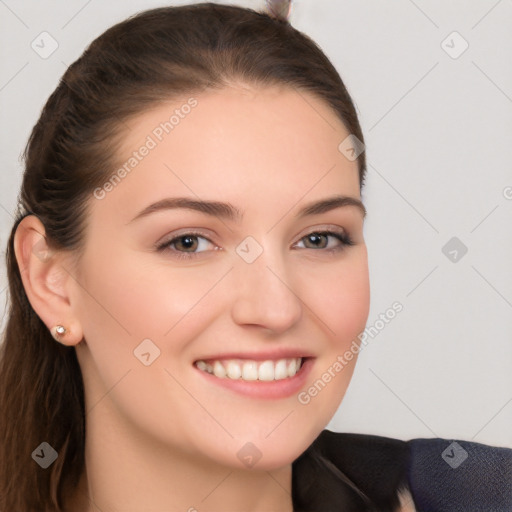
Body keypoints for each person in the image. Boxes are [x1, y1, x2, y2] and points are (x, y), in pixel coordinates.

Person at [0, 2, 510, 511]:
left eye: (319, 238)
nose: (275, 309)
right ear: (52, 280)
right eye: (189, 242)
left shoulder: (478, 495)